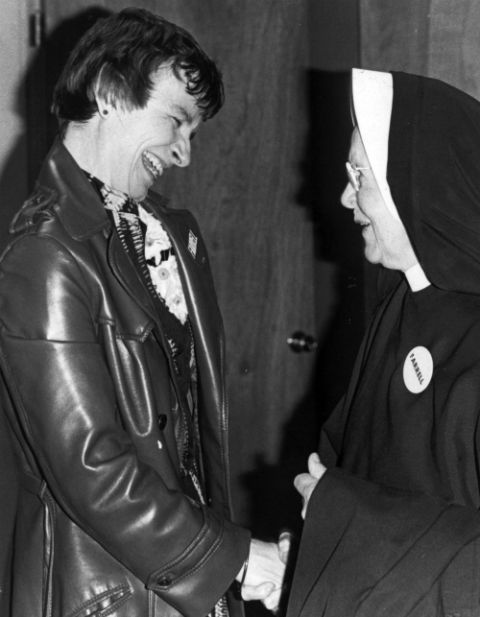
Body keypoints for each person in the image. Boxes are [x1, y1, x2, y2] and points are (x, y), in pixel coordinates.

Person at [0, 8, 286, 617]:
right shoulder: (43, 255)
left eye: (195, 134)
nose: (184, 154)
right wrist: (231, 558)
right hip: (105, 595)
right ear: (107, 93)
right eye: (177, 120)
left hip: (173, 582)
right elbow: (91, 467)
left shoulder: (167, 233)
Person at [287, 68, 480, 616]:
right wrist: (306, 561)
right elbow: (344, 459)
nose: (345, 197)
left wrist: (344, 521)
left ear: (418, 186)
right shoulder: (401, 300)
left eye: (359, 177)